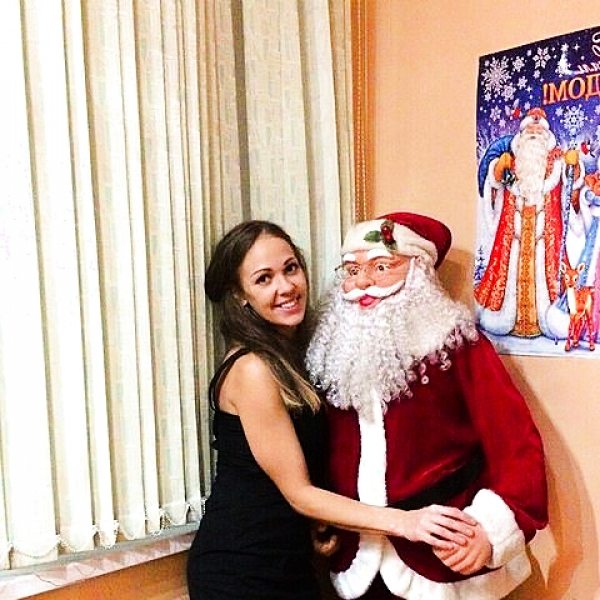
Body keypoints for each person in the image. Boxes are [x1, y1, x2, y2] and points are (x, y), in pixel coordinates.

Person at [186, 220, 478, 600]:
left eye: (290, 268)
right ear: (240, 295)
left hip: (289, 559)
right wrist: (405, 522)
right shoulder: (252, 369)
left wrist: (320, 523)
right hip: (241, 566)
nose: (286, 287)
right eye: (264, 279)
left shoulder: (294, 354)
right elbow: (299, 493)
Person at [306, 212, 548, 599]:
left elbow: (515, 444)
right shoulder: (333, 355)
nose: (362, 282)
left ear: (418, 273)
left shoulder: (456, 347)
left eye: (380, 266)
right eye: (351, 270)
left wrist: (490, 531)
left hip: (444, 558)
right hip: (357, 560)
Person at [474, 107, 583, 338]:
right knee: (510, 276)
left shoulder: (556, 162)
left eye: (538, 130)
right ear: (521, 135)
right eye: (529, 131)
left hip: (546, 240)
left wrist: (574, 165)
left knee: (546, 279)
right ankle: (507, 319)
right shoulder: (513, 163)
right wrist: (498, 167)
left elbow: (572, 185)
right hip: (513, 238)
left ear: (546, 136)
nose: (534, 134)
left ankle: (548, 321)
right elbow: (494, 184)